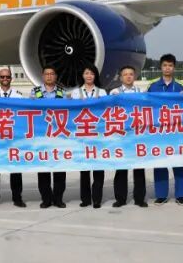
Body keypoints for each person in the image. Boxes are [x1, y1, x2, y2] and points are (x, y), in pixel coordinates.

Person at [148, 54, 183, 205]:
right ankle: (161, 195)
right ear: (161, 67)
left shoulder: (181, 87)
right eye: (165, 65)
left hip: (177, 131)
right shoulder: (152, 86)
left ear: (174, 68)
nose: (167, 68)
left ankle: (180, 195)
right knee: (160, 164)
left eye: (170, 65)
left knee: (179, 163)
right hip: (159, 132)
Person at [70, 64, 108, 208]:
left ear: (95, 75)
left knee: (98, 168)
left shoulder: (102, 92)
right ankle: (85, 199)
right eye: (86, 73)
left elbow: (105, 111)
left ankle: (97, 198)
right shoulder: (75, 93)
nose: (89, 76)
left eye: (92, 73)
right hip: (82, 136)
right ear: (82, 75)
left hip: (98, 135)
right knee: (84, 170)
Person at [0, 67, 25, 208]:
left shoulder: (19, 96)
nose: (5, 79)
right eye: (2, 77)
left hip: (13, 137)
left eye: (7, 77)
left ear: (11, 79)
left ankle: (17, 198)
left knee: (15, 170)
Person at [110, 65, 147, 207]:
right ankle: (120, 198)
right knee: (121, 168)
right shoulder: (114, 92)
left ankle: (139, 198)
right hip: (122, 136)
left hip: (138, 135)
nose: (128, 76)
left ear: (135, 76)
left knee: (139, 168)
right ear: (121, 77)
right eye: (125, 74)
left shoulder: (141, 92)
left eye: (131, 74)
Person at [32, 66, 67, 208]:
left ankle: (58, 198)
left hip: (58, 135)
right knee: (43, 169)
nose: (49, 76)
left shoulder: (62, 92)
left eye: (52, 74)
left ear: (56, 76)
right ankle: (46, 199)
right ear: (42, 76)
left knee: (59, 169)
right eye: (47, 74)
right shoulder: (35, 92)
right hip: (41, 136)